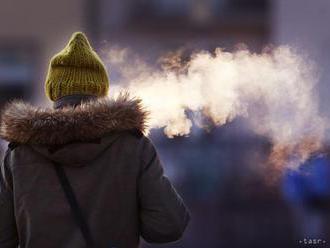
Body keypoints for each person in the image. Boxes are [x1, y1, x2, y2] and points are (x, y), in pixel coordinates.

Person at [0, 32, 190, 248]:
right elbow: (168, 226)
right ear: (101, 89)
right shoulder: (133, 146)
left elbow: (3, 238)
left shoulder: (19, 155)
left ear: (54, 91)